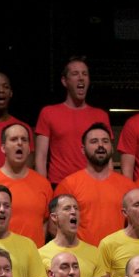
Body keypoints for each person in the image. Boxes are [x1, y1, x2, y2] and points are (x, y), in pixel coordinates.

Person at [0, 123, 52, 246]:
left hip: (33, 255)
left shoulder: (43, 184)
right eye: (14, 139)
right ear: (3, 148)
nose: (20, 143)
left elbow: (46, 221)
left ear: (29, 148)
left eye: (24, 140)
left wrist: (38, 248)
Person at [54, 123, 136, 246]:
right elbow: (55, 228)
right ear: (83, 149)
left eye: (105, 141)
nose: (100, 145)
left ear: (112, 148)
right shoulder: (68, 185)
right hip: (81, 255)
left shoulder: (128, 187)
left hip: (118, 253)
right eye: (94, 141)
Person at [35, 57, 111, 185]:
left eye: (85, 74)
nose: (81, 78)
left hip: (91, 183)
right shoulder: (48, 113)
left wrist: (107, 185)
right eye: (75, 74)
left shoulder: (100, 115)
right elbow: (40, 158)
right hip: (59, 183)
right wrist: (43, 189)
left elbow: (107, 158)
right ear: (64, 81)